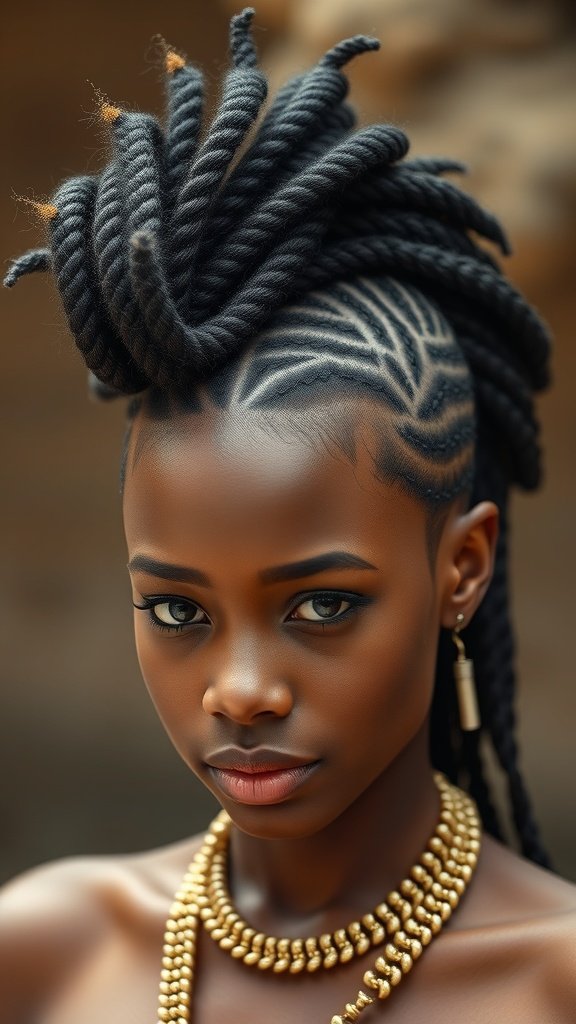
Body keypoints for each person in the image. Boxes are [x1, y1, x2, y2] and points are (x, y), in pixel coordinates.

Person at [1, 8, 574, 1023]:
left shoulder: (549, 984)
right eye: (177, 611)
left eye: (320, 604)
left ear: (463, 567)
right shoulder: (45, 953)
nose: (242, 692)